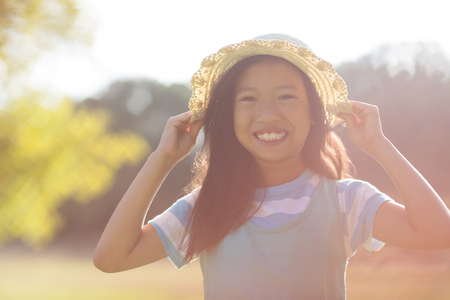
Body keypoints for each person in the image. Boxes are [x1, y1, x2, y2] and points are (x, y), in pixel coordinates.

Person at [93, 34, 450, 299]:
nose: (268, 114)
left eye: (286, 96)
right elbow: (111, 258)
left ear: (314, 113)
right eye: (248, 99)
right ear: (229, 116)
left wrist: (379, 145)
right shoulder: (206, 207)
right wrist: (162, 160)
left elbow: (437, 233)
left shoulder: (345, 200)